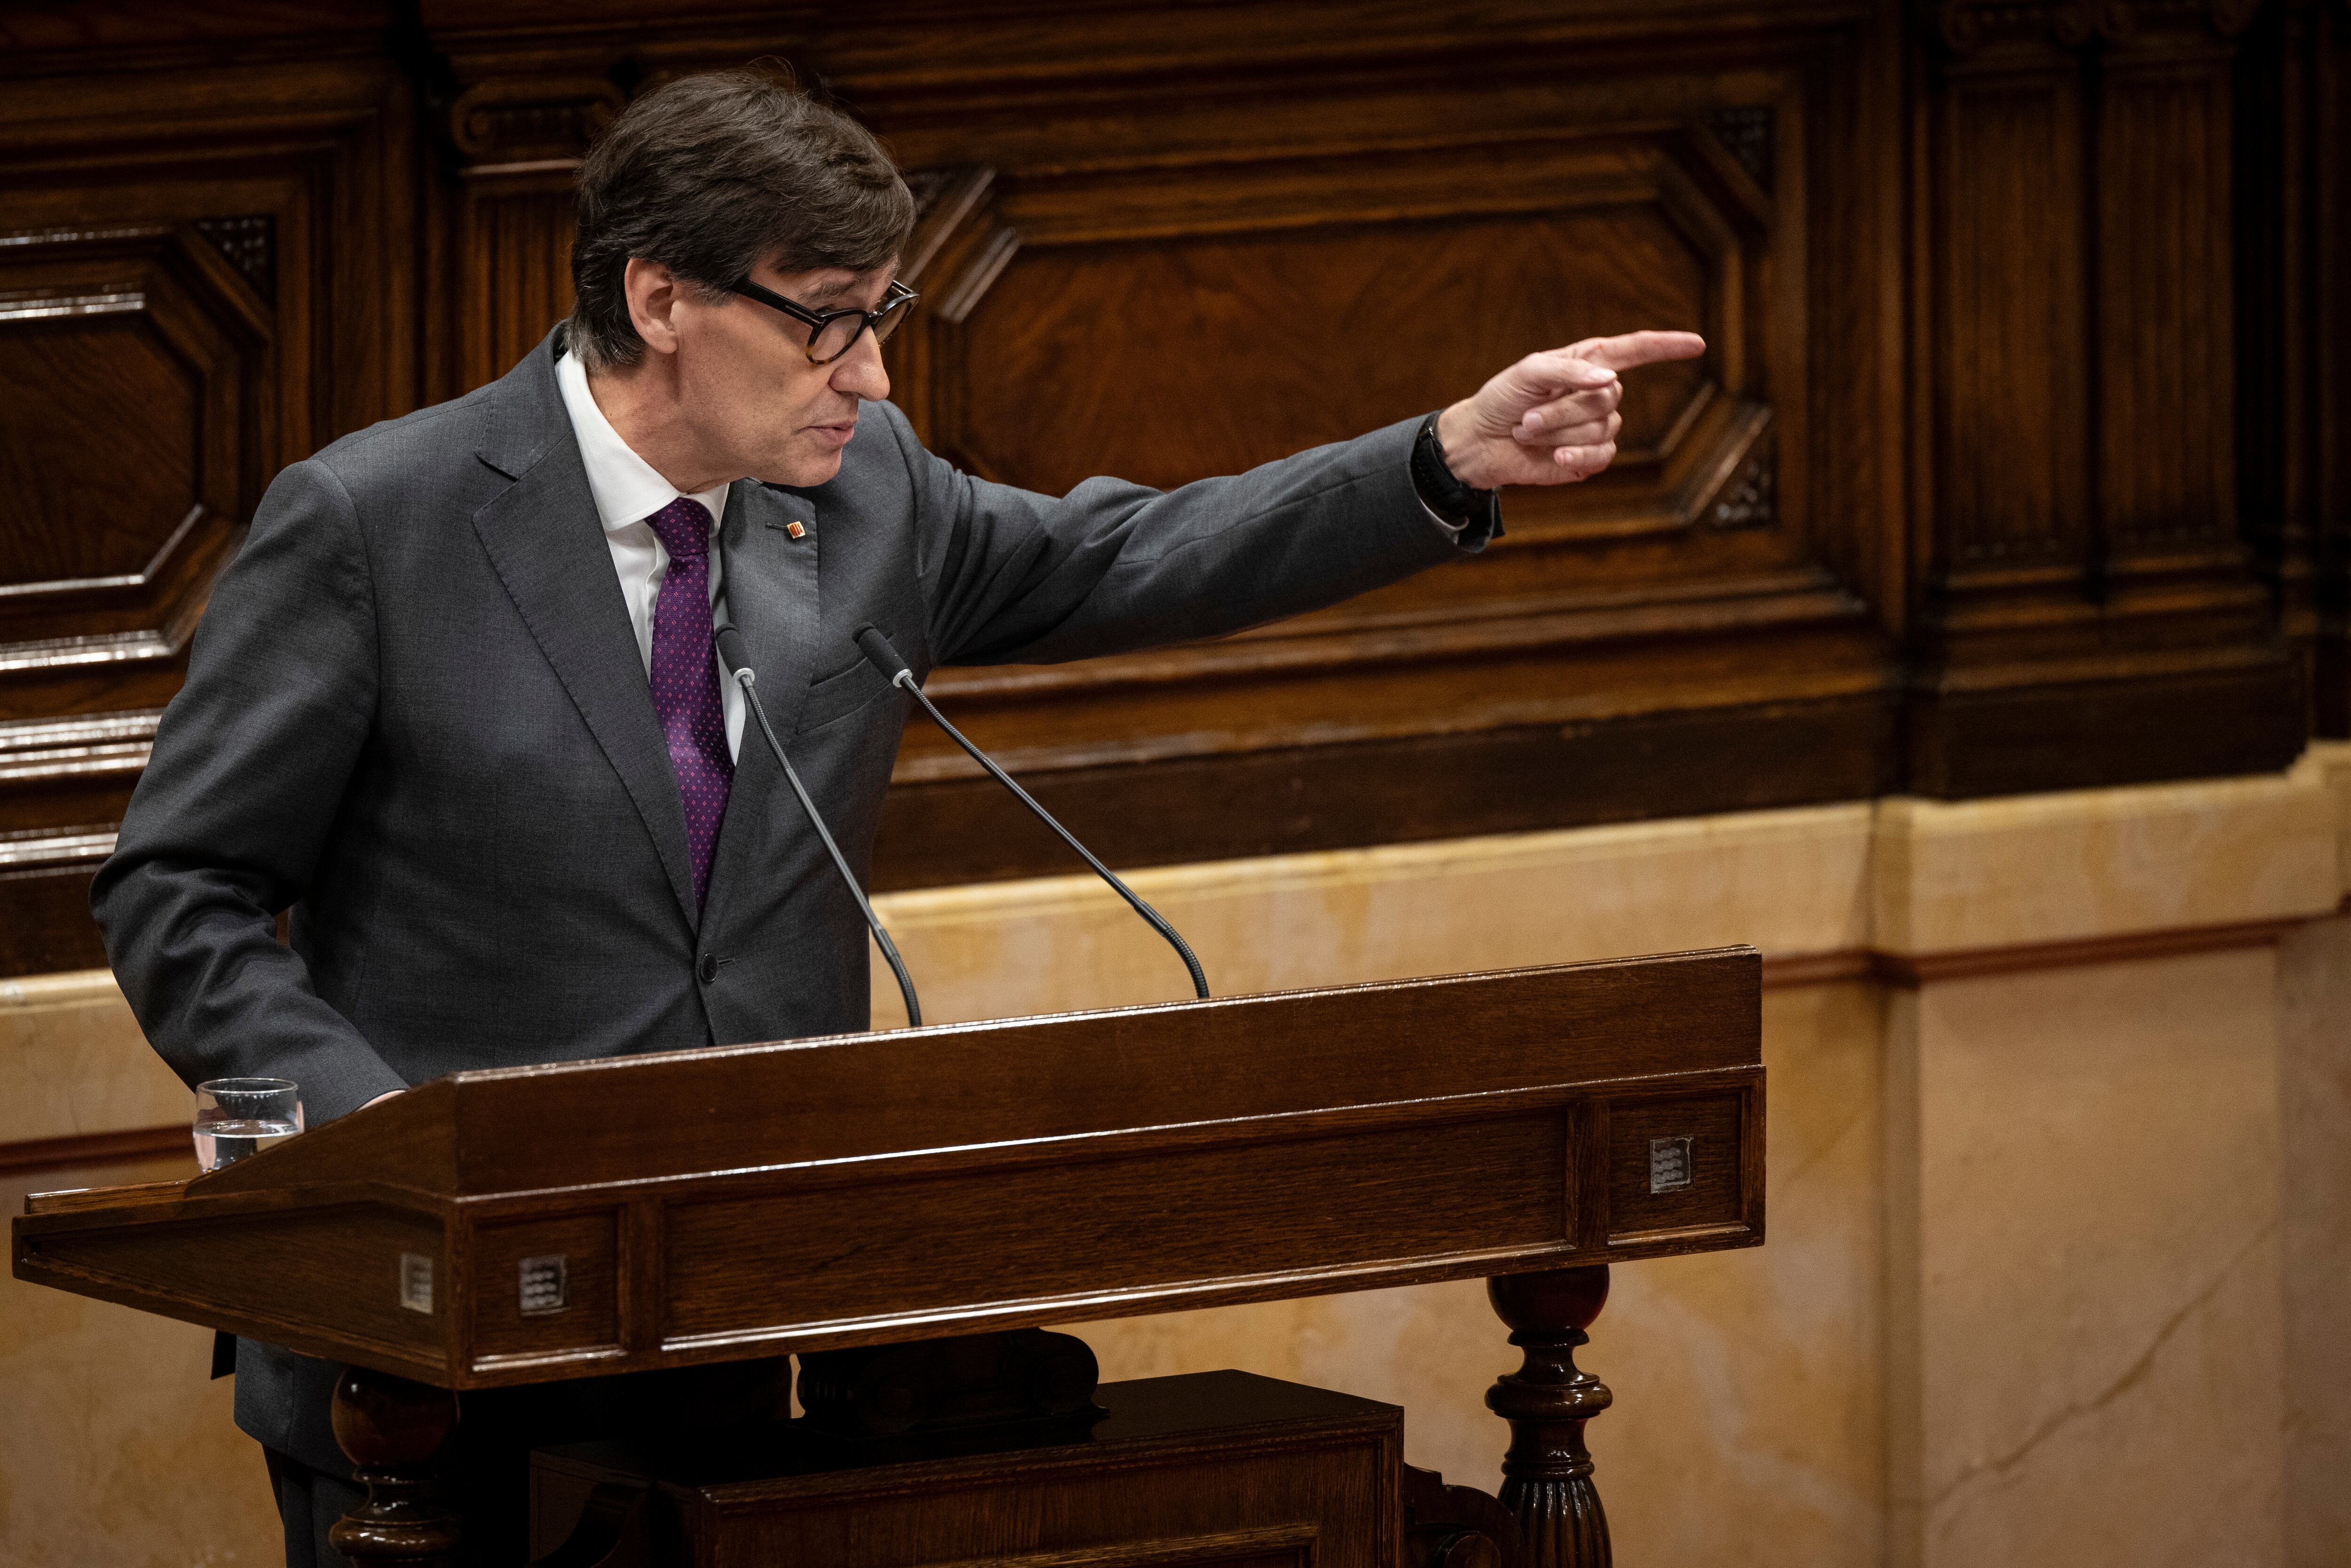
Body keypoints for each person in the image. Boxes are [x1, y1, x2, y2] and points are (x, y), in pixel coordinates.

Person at [91, 67, 1702, 1568]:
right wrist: (377, 1147)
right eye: (827, 323)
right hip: (424, 1372)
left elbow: (1137, 556)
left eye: (883, 317)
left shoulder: (865, 499)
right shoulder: (379, 522)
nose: (870, 372)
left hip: (734, 1333)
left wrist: (1445, 456)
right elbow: (181, 890)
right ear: (660, 300)